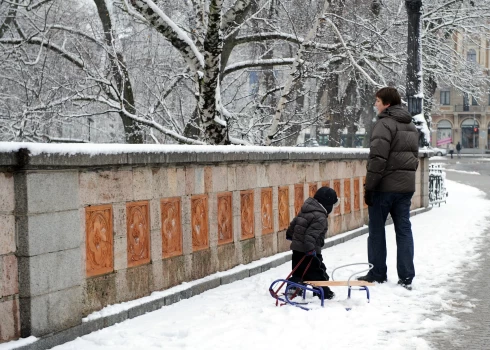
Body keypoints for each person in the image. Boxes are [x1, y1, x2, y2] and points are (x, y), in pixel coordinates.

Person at [358, 87, 419, 291]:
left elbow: (377, 159)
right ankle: (406, 276)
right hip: (405, 189)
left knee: (376, 231)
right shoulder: (410, 125)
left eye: (377, 101)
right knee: (403, 230)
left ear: (387, 103)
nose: (375, 104)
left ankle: (377, 273)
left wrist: (370, 186)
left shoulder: (384, 124)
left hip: (384, 188)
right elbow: (414, 158)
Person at [286, 186, 339, 299]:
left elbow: (295, 222)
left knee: (298, 271)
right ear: (327, 205)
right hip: (310, 250)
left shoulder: (306, 209)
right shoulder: (320, 217)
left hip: (297, 249)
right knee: (318, 272)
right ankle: (323, 292)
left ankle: (293, 288)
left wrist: (290, 235)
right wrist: (310, 250)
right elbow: (311, 235)